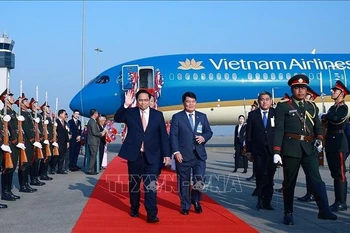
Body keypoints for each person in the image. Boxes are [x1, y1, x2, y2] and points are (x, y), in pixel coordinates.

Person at [273, 74, 337, 225]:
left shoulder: (311, 106)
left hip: (309, 148)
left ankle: (324, 210)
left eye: (303, 88)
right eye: (297, 88)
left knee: (317, 180)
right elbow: (279, 130)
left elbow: (317, 127)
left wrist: (320, 140)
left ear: (307, 89)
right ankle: (288, 213)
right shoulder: (283, 106)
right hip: (291, 149)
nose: (300, 91)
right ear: (292, 89)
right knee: (289, 183)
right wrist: (276, 151)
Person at [114, 89, 171, 223]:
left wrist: (167, 154)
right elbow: (117, 118)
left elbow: (163, 136)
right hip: (135, 156)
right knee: (134, 185)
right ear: (137, 101)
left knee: (150, 186)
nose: (143, 102)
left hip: (152, 156)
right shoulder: (131, 113)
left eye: (146, 100)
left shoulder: (158, 115)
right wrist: (126, 105)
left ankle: (152, 214)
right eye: (140, 100)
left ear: (151, 101)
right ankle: (134, 207)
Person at [169, 91, 213, 215]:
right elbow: (173, 136)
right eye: (188, 101)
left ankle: (196, 199)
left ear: (196, 103)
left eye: (193, 101)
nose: (191, 104)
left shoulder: (202, 116)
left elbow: (209, 132)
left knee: (199, 179)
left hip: (199, 155)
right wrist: (176, 152)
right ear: (183, 103)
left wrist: (204, 137)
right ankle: (185, 205)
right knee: (184, 182)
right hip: (183, 155)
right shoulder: (177, 117)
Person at [246, 91, 276, 210]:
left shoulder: (276, 113)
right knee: (260, 174)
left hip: (272, 150)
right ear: (259, 102)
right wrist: (248, 151)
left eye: (267, 99)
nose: (264, 101)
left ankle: (267, 201)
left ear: (271, 101)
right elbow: (249, 134)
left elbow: (279, 132)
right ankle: (260, 200)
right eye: (262, 99)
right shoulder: (253, 115)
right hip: (257, 151)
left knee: (270, 176)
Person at [324, 80, 349, 211]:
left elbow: (335, 118)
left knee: (340, 173)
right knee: (335, 173)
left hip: (339, 143)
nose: (332, 92)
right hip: (331, 143)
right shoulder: (333, 108)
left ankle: (342, 202)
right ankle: (337, 200)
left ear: (342, 93)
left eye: (335, 90)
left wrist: (326, 116)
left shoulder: (343, 108)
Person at [297, 86, 320, 202]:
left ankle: (315, 195)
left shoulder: (313, 109)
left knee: (313, 173)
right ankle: (309, 193)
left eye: (307, 96)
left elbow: (317, 127)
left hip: (311, 145)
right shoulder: (302, 109)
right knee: (308, 173)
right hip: (304, 145)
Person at [86, 109, 106, 175]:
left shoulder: (93, 121)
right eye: (97, 113)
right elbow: (94, 132)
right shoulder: (92, 122)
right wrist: (101, 134)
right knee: (93, 155)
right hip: (93, 141)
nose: (98, 115)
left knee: (93, 155)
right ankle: (90, 169)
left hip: (93, 141)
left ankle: (92, 168)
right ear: (94, 114)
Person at [246, 101, 259, 181]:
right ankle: (254, 175)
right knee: (255, 162)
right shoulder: (251, 116)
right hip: (254, 143)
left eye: (253, 108)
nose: (251, 109)